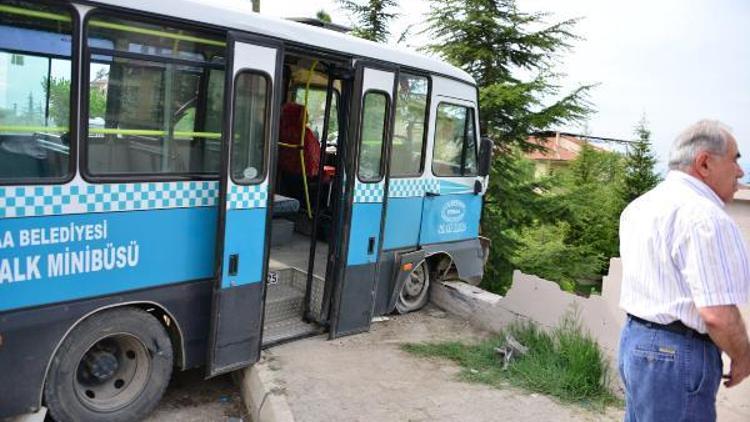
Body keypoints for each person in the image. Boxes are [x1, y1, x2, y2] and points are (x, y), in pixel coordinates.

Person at [618, 119, 750, 421]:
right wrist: (743, 357)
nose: (740, 171)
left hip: (636, 343)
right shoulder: (705, 217)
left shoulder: (639, 207)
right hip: (675, 355)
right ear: (704, 163)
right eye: (735, 159)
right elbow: (716, 313)